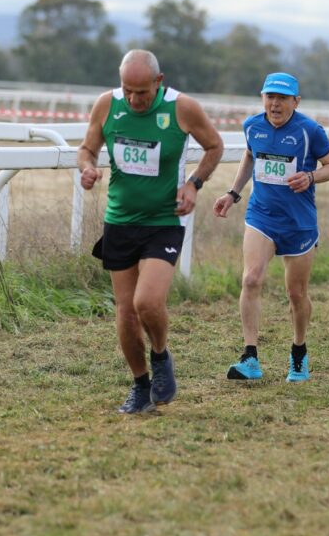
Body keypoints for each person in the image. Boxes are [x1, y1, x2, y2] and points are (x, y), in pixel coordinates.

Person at [77, 49, 223, 413]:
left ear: (159, 82)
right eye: (127, 90)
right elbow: (87, 148)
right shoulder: (106, 105)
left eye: (141, 92)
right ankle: (141, 386)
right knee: (126, 313)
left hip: (163, 222)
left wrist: (193, 184)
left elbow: (214, 146)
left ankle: (161, 355)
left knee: (147, 303)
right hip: (120, 221)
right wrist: (87, 169)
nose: (133, 99)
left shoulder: (182, 108)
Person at [213, 73, 329, 382]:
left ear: (295, 102)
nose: (275, 103)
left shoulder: (311, 131)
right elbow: (249, 155)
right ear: (262, 98)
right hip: (262, 216)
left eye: (282, 98)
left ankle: (299, 353)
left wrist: (310, 177)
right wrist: (233, 193)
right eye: (270, 97)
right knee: (251, 278)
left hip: (299, 223)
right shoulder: (252, 126)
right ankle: (250, 357)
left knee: (296, 293)